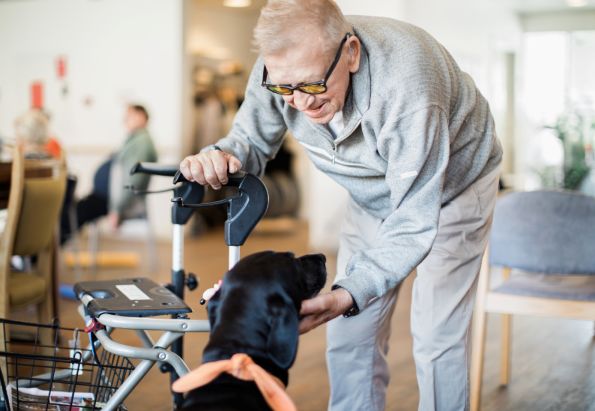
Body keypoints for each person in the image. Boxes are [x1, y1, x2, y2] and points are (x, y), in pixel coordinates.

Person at [179, 1, 502, 410]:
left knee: (438, 336)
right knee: (351, 335)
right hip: (372, 192)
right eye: (285, 88)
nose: (300, 102)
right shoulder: (280, 68)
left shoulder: (408, 87)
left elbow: (413, 220)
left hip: (453, 186)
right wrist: (219, 156)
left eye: (313, 85)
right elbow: (250, 140)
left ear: (350, 53)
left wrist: (347, 292)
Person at [61, 104, 157, 244]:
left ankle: (41, 254)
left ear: (141, 117)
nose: (124, 120)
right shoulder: (136, 140)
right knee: (73, 212)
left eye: (129, 117)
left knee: (73, 215)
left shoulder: (141, 142)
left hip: (111, 200)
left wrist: (117, 210)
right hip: (107, 197)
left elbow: (134, 179)